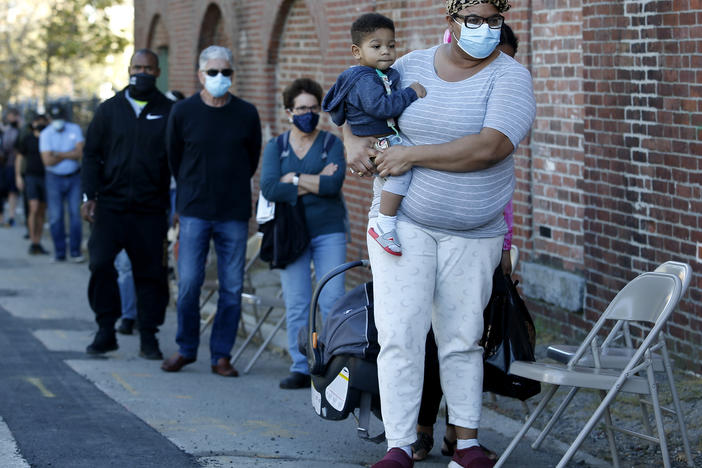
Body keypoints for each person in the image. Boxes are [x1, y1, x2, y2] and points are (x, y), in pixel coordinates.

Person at [343, 1, 536, 467]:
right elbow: (358, 107)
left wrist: (413, 156)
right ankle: (400, 445)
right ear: (450, 21)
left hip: (474, 232)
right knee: (400, 335)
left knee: (462, 337)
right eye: (474, 19)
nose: (486, 28)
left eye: (494, 19)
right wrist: (352, 142)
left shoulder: (510, 76)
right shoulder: (407, 64)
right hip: (402, 225)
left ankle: (466, 444)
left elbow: (492, 147)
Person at [410, 22, 521, 463]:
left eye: (508, 56)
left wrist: (508, 245)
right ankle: (419, 428)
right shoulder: (444, 89)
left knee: (467, 338)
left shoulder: (506, 93)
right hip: (428, 227)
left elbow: (501, 184)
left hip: (484, 235)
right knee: (428, 340)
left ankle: (460, 435)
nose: (500, 64)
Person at [163, 45, 261, 377]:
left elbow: (251, 159)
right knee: (189, 282)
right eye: (213, 72)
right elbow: (174, 158)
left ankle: (221, 354)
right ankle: (186, 348)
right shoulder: (183, 112)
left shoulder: (246, 113)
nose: (220, 78)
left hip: (232, 212)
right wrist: (189, 191)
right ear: (200, 75)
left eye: (226, 72)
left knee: (231, 286)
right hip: (193, 211)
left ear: (233, 74)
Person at [81, 49, 173, 359]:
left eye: (148, 67)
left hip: (150, 209)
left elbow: (181, 160)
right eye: (137, 67)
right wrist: (88, 195)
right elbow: (91, 155)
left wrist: (179, 206)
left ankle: (149, 336)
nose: (142, 72)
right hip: (110, 207)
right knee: (100, 264)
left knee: (151, 274)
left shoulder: (170, 111)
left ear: (157, 72)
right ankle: (106, 329)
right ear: (128, 69)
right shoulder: (109, 110)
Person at [260, 78, 348, 389]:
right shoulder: (277, 146)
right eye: (301, 109)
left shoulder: (331, 144)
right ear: (289, 112)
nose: (308, 114)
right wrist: (312, 180)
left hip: (329, 231)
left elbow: (333, 186)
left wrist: (293, 178)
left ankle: (334, 365)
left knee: (332, 301)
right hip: (291, 235)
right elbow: (269, 187)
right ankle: (301, 366)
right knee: (297, 302)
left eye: (313, 108)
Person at [322, 13, 425, 256]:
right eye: (376, 46)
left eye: (391, 45)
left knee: (391, 178)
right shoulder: (365, 80)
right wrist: (411, 92)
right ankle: (384, 224)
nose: (386, 52)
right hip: (379, 141)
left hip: (381, 137)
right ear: (357, 52)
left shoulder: (373, 75)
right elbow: (382, 107)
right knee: (401, 172)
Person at [40, 105, 85, 262]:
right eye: (54, 118)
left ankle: (75, 251)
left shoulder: (74, 129)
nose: (57, 121)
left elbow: (80, 153)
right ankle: (60, 252)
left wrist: (58, 154)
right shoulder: (46, 134)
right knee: (55, 217)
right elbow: (47, 160)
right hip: (54, 178)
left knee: (75, 215)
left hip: (74, 176)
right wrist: (69, 154)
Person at [15, 114, 50, 254]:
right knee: (33, 208)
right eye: (37, 122)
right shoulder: (28, 139)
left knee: (41, 211)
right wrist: (18, 176)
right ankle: (33, 240)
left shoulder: (48, 138)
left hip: (46, 177)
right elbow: (20, 157)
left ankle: (38, 241)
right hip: (31, 177)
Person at [1, 108, 21, 227]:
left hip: (13, 165)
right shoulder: (4, 129)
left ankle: (11, 217)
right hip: (3, 165)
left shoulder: (19, 129)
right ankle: (1, 217)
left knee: (12, 192)